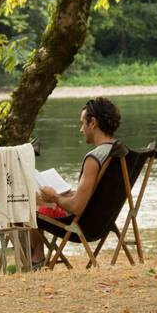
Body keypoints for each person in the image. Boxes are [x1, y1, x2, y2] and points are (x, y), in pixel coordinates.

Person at [29, 97, 121, 267]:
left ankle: (36, 260)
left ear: (92, 122)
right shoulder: (120, 153)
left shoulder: (94, 158)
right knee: (38, 199)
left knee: (26, 208)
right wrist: (63, 192)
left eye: (82, 123)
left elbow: (77, 207)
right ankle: (37, 258)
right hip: (104, 221)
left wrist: (55, 197)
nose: (81, 129)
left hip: (83, 226)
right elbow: (94, 196)